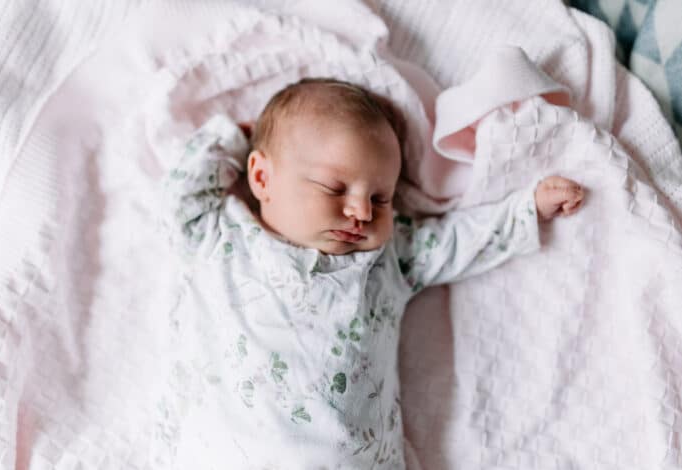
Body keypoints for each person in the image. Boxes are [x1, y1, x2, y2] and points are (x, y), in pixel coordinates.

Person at [152, 78, 584, 469]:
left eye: (380, 198)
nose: (360, 211)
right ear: (262, 177)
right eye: (335, 189)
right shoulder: (219, 236)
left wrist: (526, 210)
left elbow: (456, 242)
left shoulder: (387, 259)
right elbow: (179, 192)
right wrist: (230, 139)